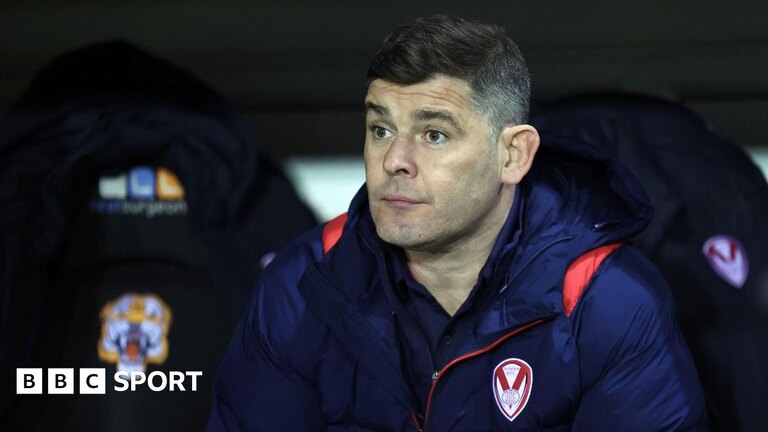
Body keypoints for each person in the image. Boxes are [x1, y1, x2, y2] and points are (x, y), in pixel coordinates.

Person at [208, 15, 707, 431]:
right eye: (380, 129)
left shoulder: (607, 300)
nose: (395, 160)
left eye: (434, 135)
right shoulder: (304, 281)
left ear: (513, 155)